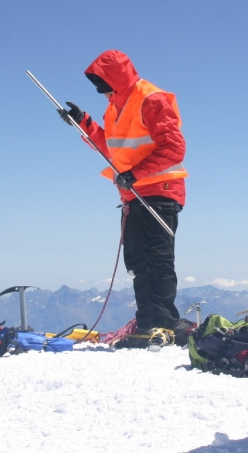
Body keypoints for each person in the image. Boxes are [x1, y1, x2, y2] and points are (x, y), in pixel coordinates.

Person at [58, 49, 189, 348]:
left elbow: (174, 148)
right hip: (134, 194)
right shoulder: (116, 107)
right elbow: (113, 148)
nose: (99, 90)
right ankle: (147, 324)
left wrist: (136, 174)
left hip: (160, 192)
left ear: (115, 78)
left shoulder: (150, 99)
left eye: (101, 83)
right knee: (137, 262)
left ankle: (165, 323)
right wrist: (84, 123)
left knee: (157, 261)